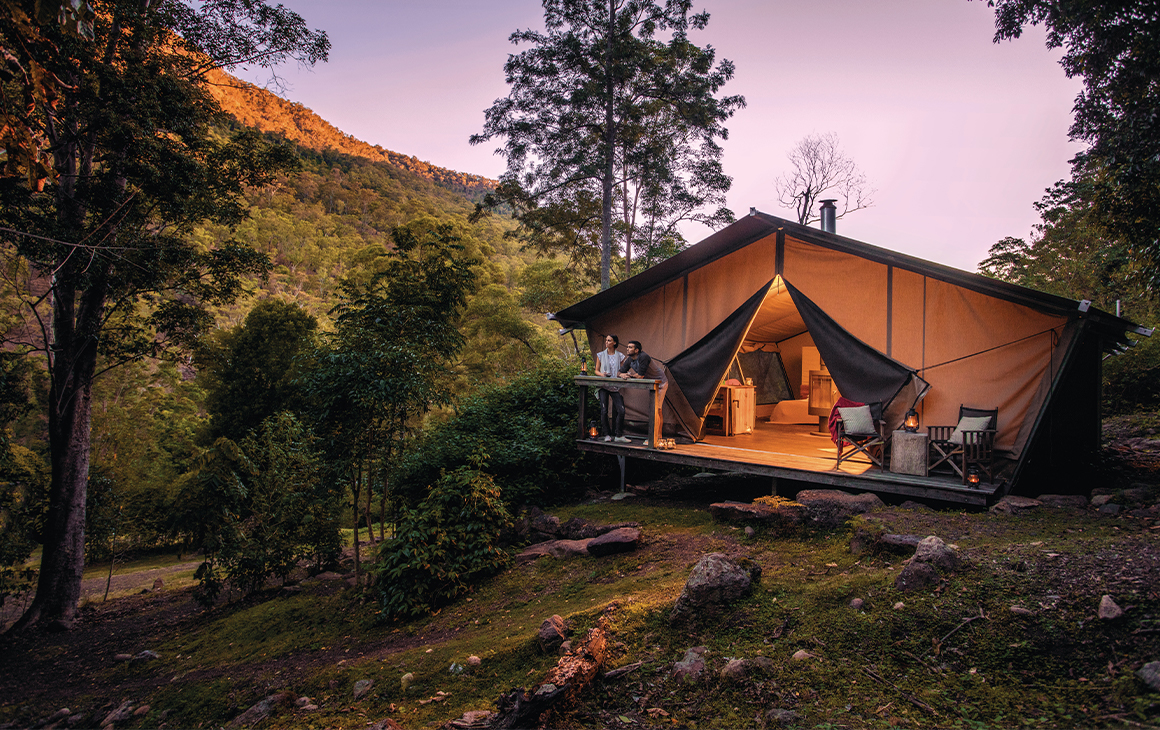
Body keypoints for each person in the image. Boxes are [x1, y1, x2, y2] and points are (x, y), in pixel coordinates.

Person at [619, 340, 668, 445]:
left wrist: (630, 374)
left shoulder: (643, 357)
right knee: (657, 410)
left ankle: (654, 438)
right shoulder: (629, 360)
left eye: (630, 347)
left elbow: (640, 376)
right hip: (652, 384)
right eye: (627, 347)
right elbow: (620, 371)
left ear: (637, 350)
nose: (627, 349)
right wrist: (622, 375)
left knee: (656, 410)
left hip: (660, 383)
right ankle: (658, 437)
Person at [594, 334, 628, 442]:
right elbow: (596, 370)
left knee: (621, 410)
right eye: (606, 340)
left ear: (614, 343)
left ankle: (618, 434)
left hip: (615, 385)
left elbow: (623, 369)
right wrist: (602, 375)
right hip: (604, 385)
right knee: (604, 411)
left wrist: (624, 374)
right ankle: (607, 434)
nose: (607, 342)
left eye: (609, 340)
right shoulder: (600, 355)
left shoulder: (620, 356)